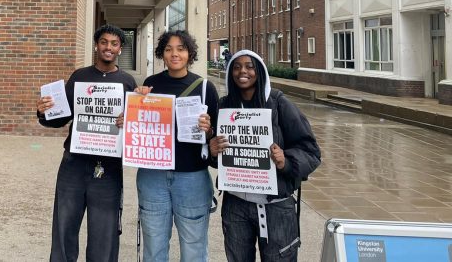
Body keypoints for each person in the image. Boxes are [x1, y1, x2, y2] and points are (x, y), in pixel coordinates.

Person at [36, 24, 137, 262]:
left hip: (109, 167)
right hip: (74, 163)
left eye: (114, 44)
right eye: (104, 42)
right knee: (64, 226)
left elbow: (137, 127)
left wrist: (130, 121)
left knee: (105, 233)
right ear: (96, 45)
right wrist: (44, 112)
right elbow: (61, 117)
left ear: (120, 49)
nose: (108, 47)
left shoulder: (127, 82)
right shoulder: (79, 77)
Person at [210, 50, 321, 262]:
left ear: (260, 71)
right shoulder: (224, 106)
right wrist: (212, 150)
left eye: (250, 66)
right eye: (236, 66)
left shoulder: (279, 103)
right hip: (236, 207)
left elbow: (311, 150)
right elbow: (218, 155)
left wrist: (286, 161)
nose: (243, 71)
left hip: (276, 207)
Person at [135, 30, 220, 262]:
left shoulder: (205, 88)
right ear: (162, 53)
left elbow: (216, 139)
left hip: (192, 178)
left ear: (190, 53)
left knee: (194, 247)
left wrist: (208, 129)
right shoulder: (150, 85)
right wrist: (135, 102)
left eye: (181, 48)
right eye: (169, 49)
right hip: (153, 176)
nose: (175, 54)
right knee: (154, 247)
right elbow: (141, 124)